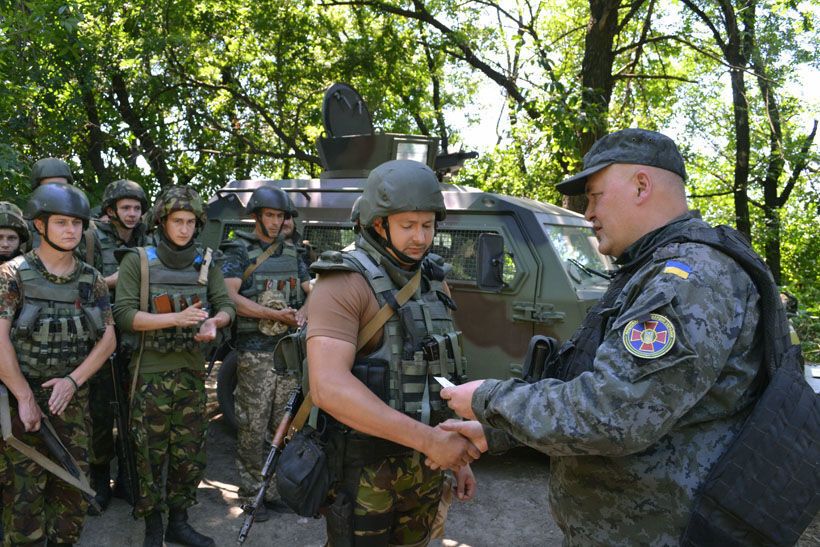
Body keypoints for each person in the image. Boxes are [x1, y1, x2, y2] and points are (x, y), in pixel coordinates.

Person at [440, 128, 771, 545]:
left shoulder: (688, 280)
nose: (588, 213)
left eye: (595, 196)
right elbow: (610, 390)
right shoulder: (649, 270)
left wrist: (489, 399)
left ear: (641, 185)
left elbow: (614, 412)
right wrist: (499, 431)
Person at [306, 159, 478, 547]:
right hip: (366, 473)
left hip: (427, 468)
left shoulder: (434, 281)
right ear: (378, 223)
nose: (420, 237)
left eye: (428, 225)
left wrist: (458, 457)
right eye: (407, 225)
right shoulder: (343, 282)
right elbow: (327, 387)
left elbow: (445, 368)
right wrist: (429, 441)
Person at [113, 185, 235, 547]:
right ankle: (152, 524)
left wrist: (216, 323)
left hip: (191, 374)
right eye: (177, 221)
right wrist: (174, 319)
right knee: (148, 453)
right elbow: (122, 315)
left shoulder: (207, 261)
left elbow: (226, 304)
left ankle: (178, 522)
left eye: (190, 222)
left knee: (189, 452)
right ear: (162, 222)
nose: (183, 228)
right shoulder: (138, 260)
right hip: (148, 373)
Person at [0, 182, 116, 545]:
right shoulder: (12, 274)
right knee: (23, 502)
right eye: (62, 222)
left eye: (77, 224)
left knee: (71, 499)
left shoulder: (91, 279)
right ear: (39, 225)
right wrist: (24, 396)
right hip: (21, 402)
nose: (71, 230)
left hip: (71, 402)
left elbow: (108, 338)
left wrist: (72, 381)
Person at [219, 185, 311, 521]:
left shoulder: (293, 253)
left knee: (282, 425)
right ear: (257, 215)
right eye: (269, 215)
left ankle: (271, 491)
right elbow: (230, 298)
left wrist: (306, 311)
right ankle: (249, 493)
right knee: (252, 425)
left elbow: (309, 289)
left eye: (280, 216)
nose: (275, 222)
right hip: (254, 353)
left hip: (287, 352)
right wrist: (274, 315)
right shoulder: (238, 250)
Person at [85, 179, 150, 512]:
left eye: (137, 208)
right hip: (100, 337)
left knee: (133, 412)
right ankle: (99, 480)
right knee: (100, 413)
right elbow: (82, 283)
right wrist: (123, 278)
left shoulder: (146, 238)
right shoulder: (92, 238)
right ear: (111, 210)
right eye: (125, 208)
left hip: (135, 338)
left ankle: (126, 478)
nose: (132, 214)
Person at [27, 158, 75, 249]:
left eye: (62, 186)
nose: (57, 192)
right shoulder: (22, 227)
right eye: (49, 187)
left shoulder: (83, 226)